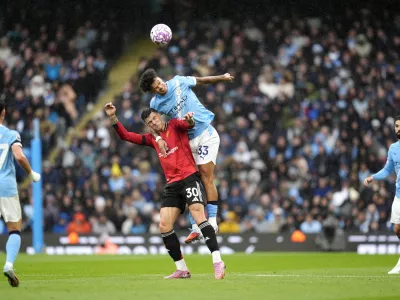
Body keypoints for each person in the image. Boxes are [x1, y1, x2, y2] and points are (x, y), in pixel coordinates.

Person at [104, 102, 226, 279]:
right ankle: (182, 269)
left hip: (189, 177)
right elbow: (126, 136)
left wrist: (190, 120)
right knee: (164, 225)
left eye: (154, 118)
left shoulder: (175, 125)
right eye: (150, 122)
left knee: (199, 216)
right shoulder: (153, 140)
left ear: (159, 116)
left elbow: (188, 125)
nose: (153, 123)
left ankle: (217, 261)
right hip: (172, 184)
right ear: (148, 125)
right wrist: (113, 117)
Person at [139, 68, 234, 243]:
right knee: (191, 181)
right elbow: (153, 124)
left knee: (206, 176)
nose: (160, 87)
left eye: (159, 82)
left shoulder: (178, 81)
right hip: (186, 140)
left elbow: (202, 80)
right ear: (153, 91)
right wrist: (159, 138)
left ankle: (212, 221)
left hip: (205, 133)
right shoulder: (155, 103)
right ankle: (196, 227)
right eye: (156, 87)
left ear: (161, 77)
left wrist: (222, 77)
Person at [0, 98, 41, 287]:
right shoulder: (10, 134)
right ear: (3, 113)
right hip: (6, 187)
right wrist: (31, 173)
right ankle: (9, 264)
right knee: (14, 229)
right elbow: (19, 156)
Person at [364, 115, 400, 274]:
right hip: (399, 194)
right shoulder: (393, 148)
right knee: (397, 230)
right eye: (397, 126)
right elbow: (387, 169)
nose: (398, 129)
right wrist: (373, 177)